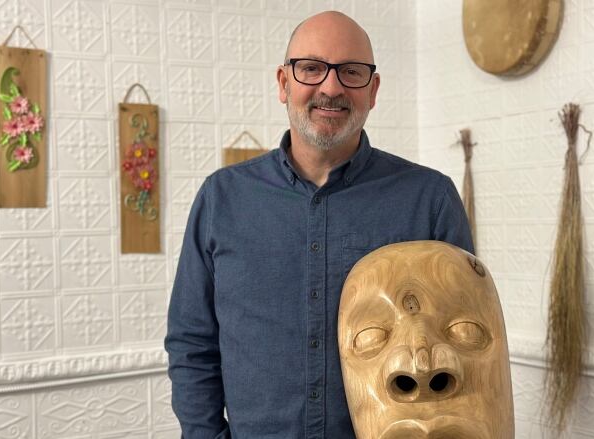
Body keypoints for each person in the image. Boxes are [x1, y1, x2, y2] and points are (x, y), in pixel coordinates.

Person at [165, 11, 473, 439]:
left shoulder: (430, 199)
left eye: (351, 72)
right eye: (311, 68)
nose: (331, 87)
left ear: (373, 90)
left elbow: (461, 348)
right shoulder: (222, 198)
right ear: (283, 82)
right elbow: (192, 343)